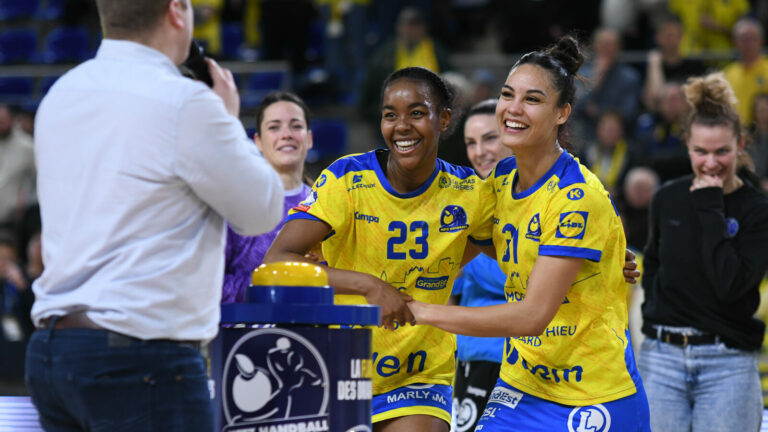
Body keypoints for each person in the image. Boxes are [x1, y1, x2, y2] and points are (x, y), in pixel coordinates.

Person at [265, 66, 639, 432]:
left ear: (444, 120)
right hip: (340, 366)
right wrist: (367, 285)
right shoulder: (347, 177)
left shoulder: (471, 194)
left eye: (416, 113)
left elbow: (530, 249)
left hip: (420, 377)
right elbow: (274, 263)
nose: (402, 126)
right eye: (390, 115)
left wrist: (600, 257)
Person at [25, 0, 285, 430]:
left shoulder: (60, 95)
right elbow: (262, 210)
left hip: (53, 351)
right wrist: (227, 119)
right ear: (176, 11)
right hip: (140, 355)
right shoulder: (185, 101)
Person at [407, 36, 651, 431]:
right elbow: (449, 253)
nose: (513, 108)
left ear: (562, 113)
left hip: (594, 395)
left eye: (532, 99)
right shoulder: (502, 178)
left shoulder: (576, 197)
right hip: (522, 385)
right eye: (508, 94)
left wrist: (422, 312)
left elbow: (533, 315)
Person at [639, 72, 768, 432]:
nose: (711, 163)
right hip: (661, 357)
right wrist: (654, 318)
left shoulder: (757, 210)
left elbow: (731, 283)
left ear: (740, 144)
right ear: (687, 146)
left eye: (721, 151)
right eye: (701, 152)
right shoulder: (666, 198)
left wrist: (710, 206)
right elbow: (654, 267)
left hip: (727, 362)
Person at [450, 99, 511, 432]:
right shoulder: (465, 206)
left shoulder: (549, 199)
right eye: (471, 143)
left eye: (489, 139)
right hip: (476, 357)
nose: (479, 152)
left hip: (539, 360)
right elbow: (448, 290)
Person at [222, 91, 313, 303]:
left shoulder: (327, 205)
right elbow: (211, 284)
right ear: (258, 142)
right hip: (246, 325)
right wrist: (272, 284)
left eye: (296, 126)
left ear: (309, 139)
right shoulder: (235, 205)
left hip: (313, 324)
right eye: (274, 127)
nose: (286, 134)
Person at [723, 17, 768, 125]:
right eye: (744, 39)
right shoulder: (728, 73)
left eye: (753, 38)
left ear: (761, 40)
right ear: (735, 42)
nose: (749, 44)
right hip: (735, 129)